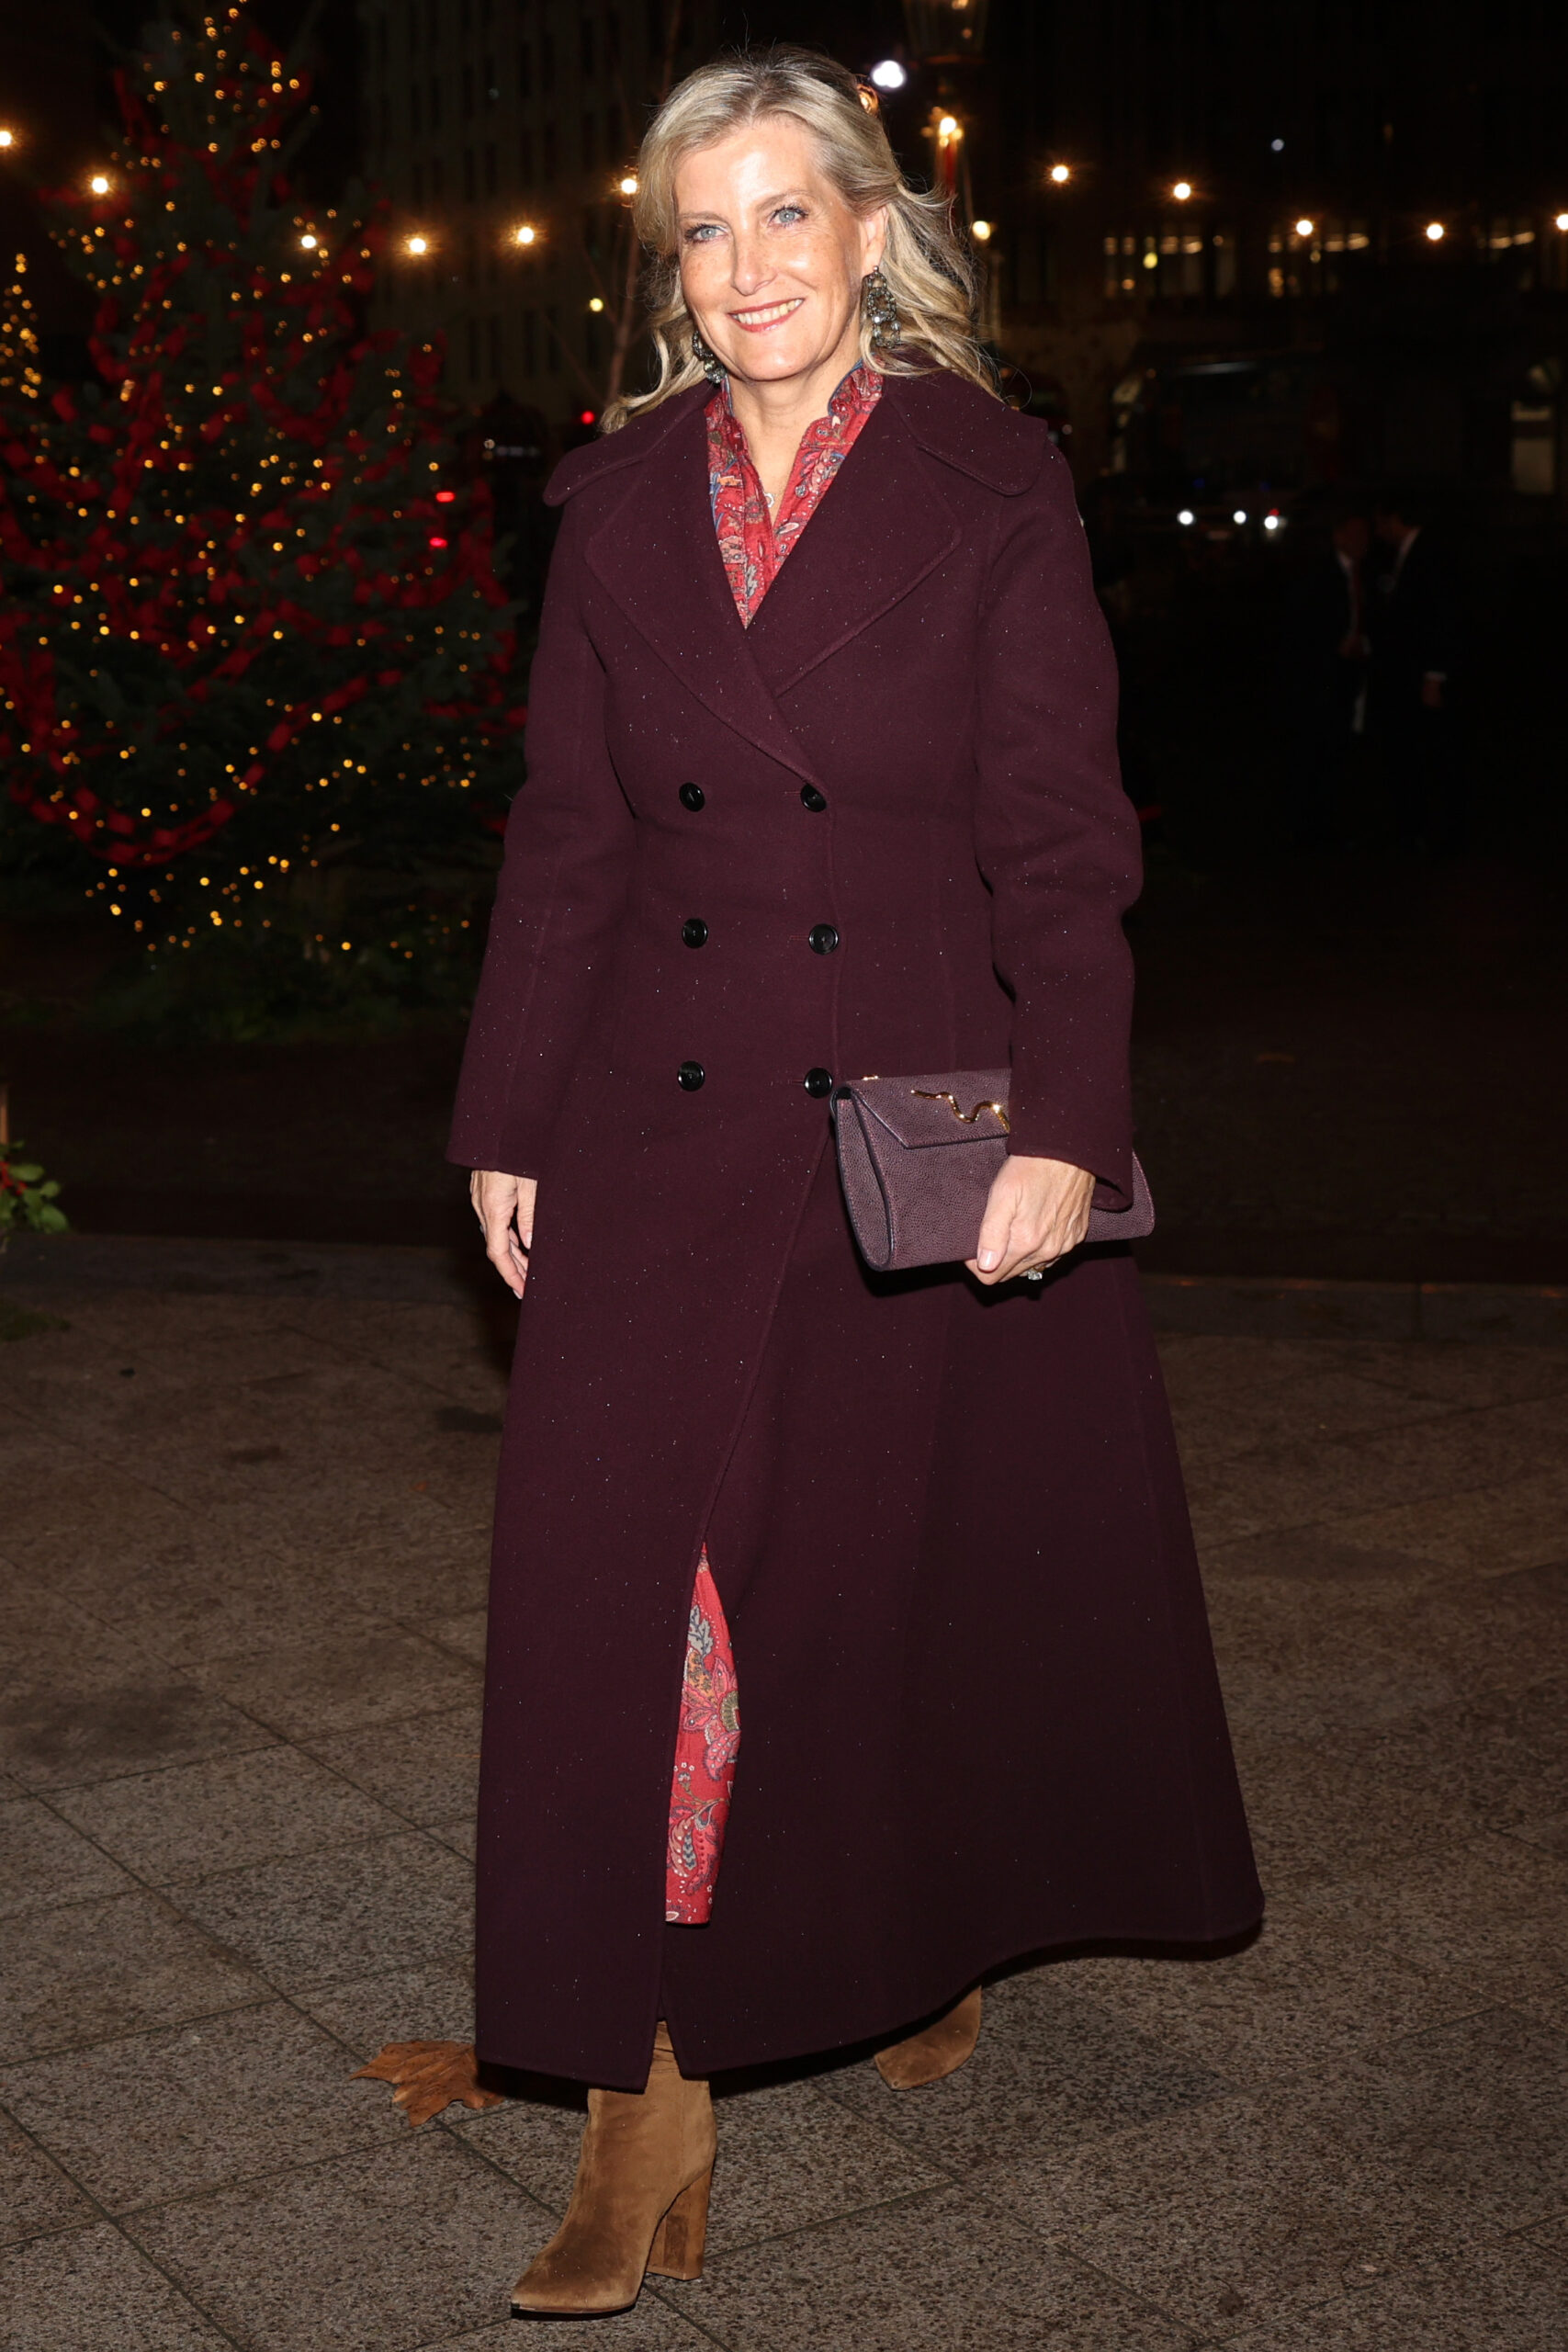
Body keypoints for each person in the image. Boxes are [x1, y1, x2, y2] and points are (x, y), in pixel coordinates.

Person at [440, 47, 1259, 2321]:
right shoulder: (609, 507)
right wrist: (502, 1110)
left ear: (875, 228)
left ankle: (911, 1930)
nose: (742, 269)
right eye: (697, 231)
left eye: (783, 214)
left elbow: (1060, 843)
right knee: (640, 1589)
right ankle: (645, 2092)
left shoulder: (989, 483)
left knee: (876, 1586)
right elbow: (570, 836)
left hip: (904, 1115)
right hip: (651, 1114)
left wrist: (1066, 1129)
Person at [1367, 484, 1463, 854]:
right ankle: (1419, 827)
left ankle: (1438, 831)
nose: (1378, 531)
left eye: (1381, 522)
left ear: (1394, 519)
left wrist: (1435, 675)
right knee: (1416, 752)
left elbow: (1443, 617)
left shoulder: (1429, 556)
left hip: (1420, 674)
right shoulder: (1407, 556)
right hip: (1408, 673)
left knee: (1432, 754)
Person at [1278, 497, 1371, 848]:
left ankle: (1324, 820)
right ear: (1339, 537)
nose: (1362, 540)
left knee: (1336, 752)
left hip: (1345, 680)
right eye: (1355, 533)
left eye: (1366, 533)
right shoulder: (1318, 575)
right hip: (1318, 682)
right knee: (1312, 752)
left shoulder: (1366, 573)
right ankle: (1305, 825)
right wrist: (1335, 644)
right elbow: (1301, 627)